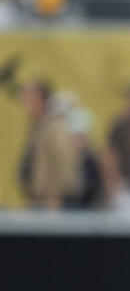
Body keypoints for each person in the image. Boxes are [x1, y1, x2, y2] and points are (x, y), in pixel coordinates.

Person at [18, 79, 78, 209]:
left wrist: (55, 195)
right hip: (39, 197)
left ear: (39, 99)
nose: (24, 103)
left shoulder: (54, 127)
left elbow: (65, 163)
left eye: (28, 97)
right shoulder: (40, 125)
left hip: (50, 201)